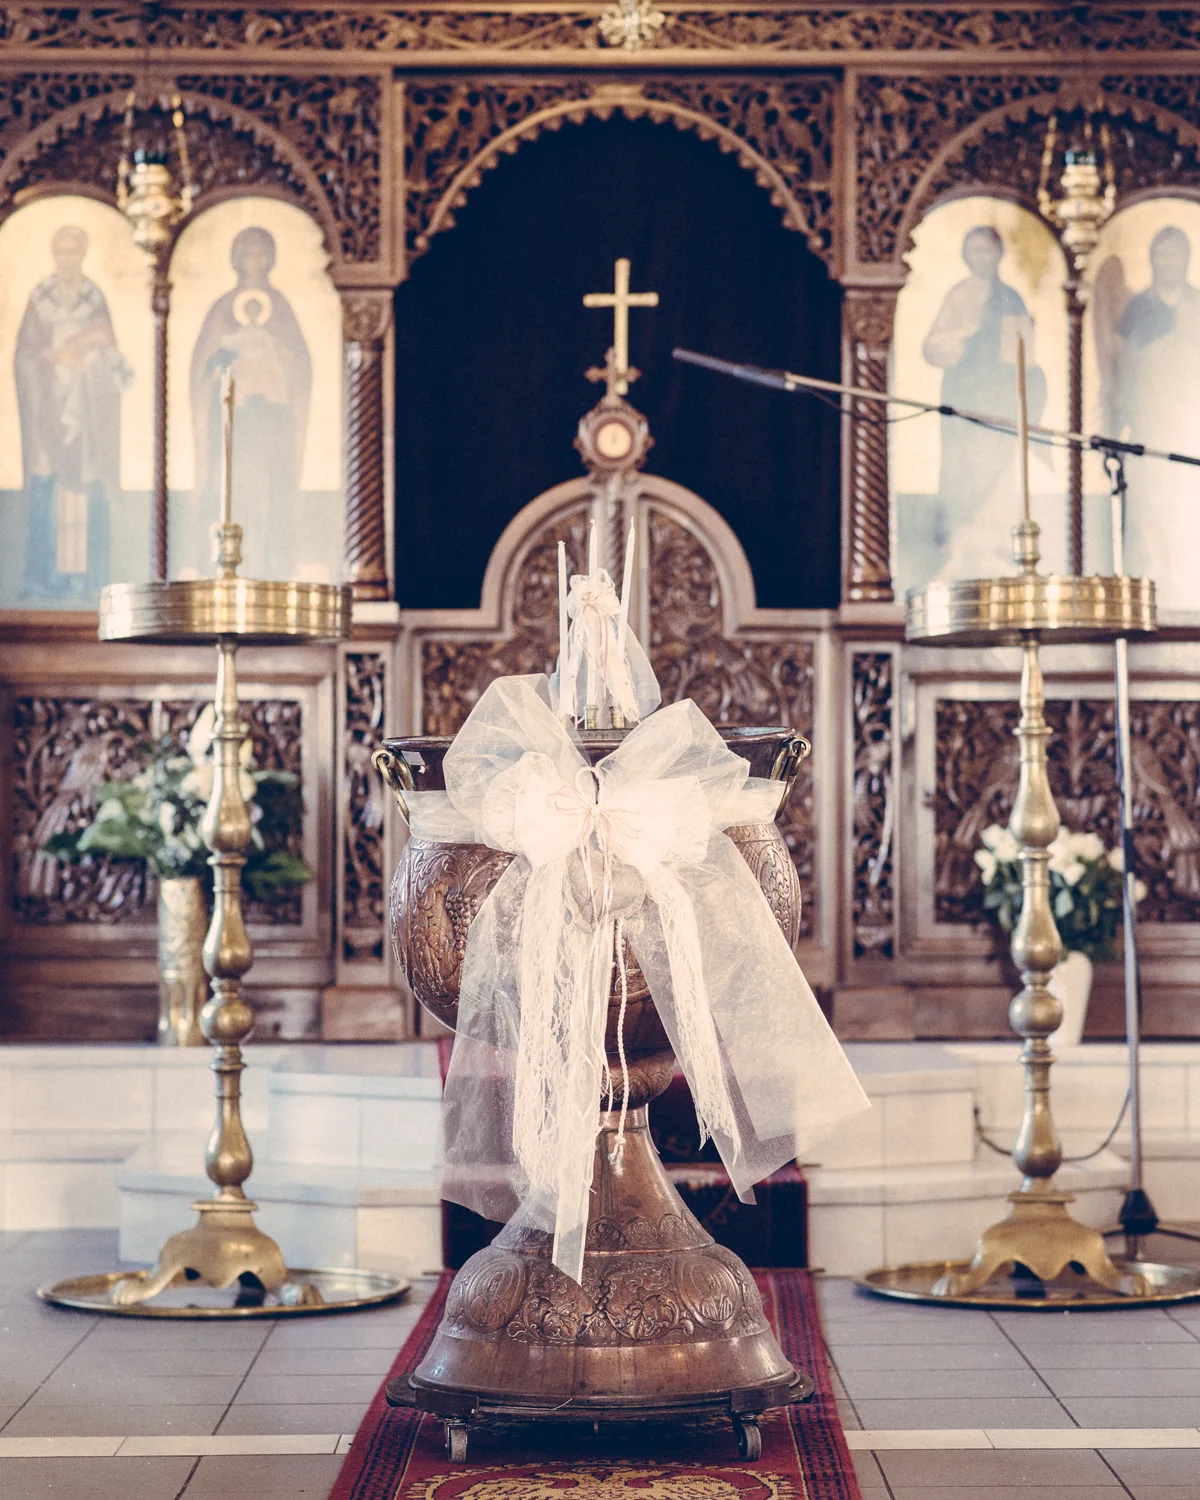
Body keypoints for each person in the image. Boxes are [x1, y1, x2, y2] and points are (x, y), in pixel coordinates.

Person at [922, 224, 1048, 578]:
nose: (982, 258)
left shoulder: (1010, 298)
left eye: (988, 251)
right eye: (975, 251)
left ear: (998, 255)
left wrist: (1023, 340)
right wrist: (964, 337)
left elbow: (1023, 357)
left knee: (998, 471)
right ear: (966, 255)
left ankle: (993, 546)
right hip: (964, 400)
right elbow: (934, 348)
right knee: (963, 470)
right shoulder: (959, 296)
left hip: (999, 402)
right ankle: (960, 548)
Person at [14, 224, 132, 599]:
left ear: (81, 254)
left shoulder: (93, 298)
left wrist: (90, 361)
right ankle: (43, 575)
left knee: (86, 479)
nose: (67, 260)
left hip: (86, 409)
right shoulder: (41, 297)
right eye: (61, 252)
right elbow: (24, 355)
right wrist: (50, 358)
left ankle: (90, 577)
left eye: (73, 252)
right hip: (48, 406)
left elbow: (111, 354)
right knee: (47, 480)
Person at [187, 226, 311, 576]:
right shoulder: (222, 310)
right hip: (231, 423)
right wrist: (226, 356)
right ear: (236, 260)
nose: (253, 262)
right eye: (247, 254)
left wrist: (274, 356)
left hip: (271, 420)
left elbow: (299, 365)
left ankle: (272, 563)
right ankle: (218, 564)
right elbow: (204, 365)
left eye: (260, 254)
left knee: (271, 493)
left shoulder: (282, 309)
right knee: (232, 489)